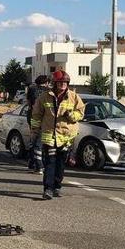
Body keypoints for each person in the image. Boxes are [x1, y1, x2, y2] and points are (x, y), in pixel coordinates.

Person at [30, 70, 85, 200]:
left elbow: (80, 113)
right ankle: (48, 189)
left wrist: (70, 115)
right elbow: (36, 115)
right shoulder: (44, 96)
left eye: (65, 83)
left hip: (66, 136)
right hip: (49, 135)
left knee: (60, 163)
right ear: (55, 83)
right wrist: (34, 130)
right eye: (60, 83)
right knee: (49, 163)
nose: (63, 85)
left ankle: (57, 186)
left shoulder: (74, 97)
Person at [26, 75, 50, 173]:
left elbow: (28, 102)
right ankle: (39, 164)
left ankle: (33, 162)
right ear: (46, 82)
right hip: (45, 118)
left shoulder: (31, 89)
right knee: (40, 142)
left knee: (33, 139)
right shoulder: (49, 91)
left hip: (32, 116)